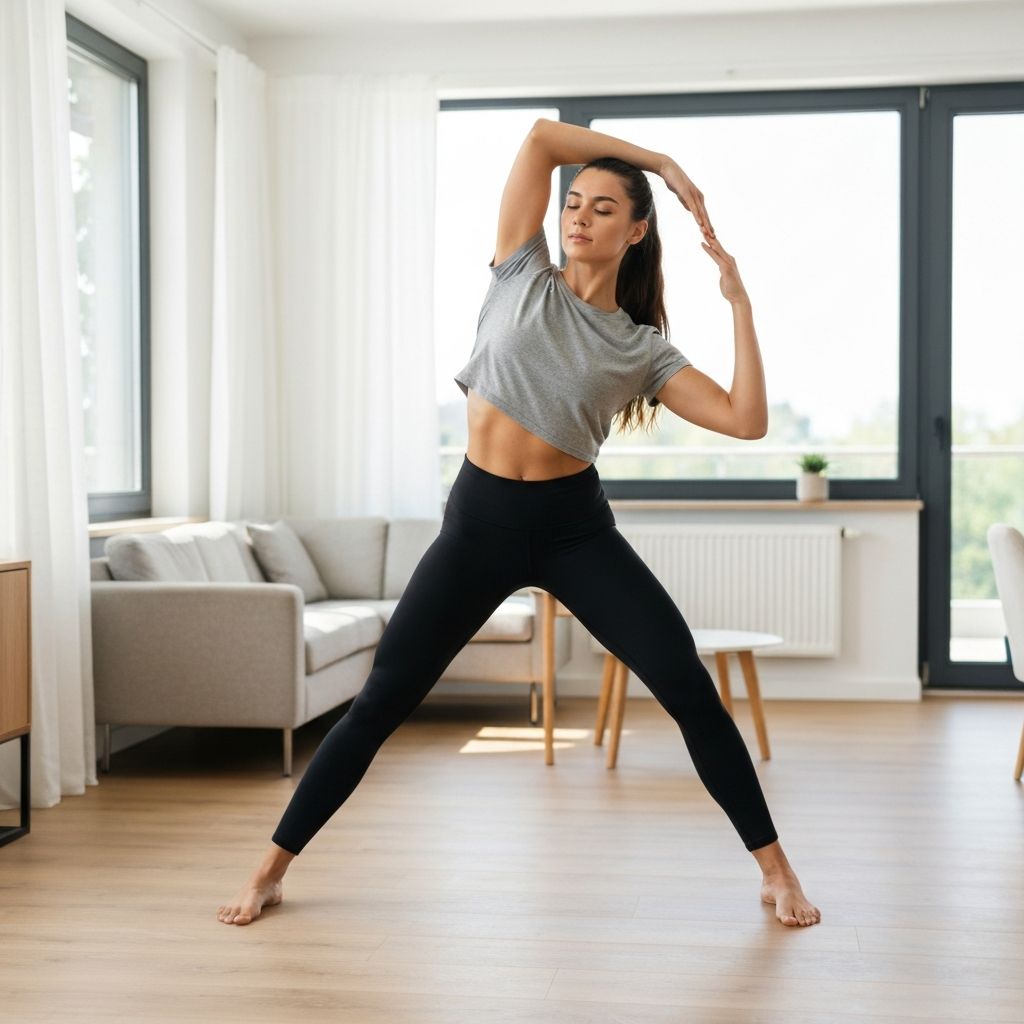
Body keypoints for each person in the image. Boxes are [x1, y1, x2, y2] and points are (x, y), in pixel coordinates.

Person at [218, 117, 821, 928]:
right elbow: (541, 137)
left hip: (575, 530)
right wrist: (661, 161)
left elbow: (746, 420)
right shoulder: (518, 271)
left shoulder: (641, 348)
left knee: (685, 687)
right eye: (575, 201)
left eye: (604, 207)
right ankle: (269, 868)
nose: (578, 214)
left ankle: (776, 871)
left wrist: (740, 304)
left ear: (637, 232)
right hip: (478, 525)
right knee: (382, 701)